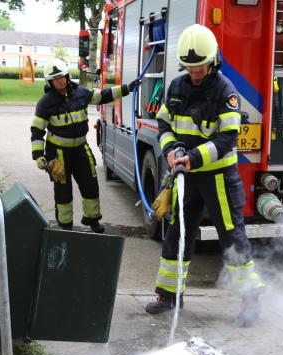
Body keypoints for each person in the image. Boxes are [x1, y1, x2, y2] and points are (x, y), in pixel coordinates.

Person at [143, 24, 265, 327]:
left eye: (200, 67)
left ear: (213, 62)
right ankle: (168, 295)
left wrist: (192, 158)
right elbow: (164, 125)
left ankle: (250, 300)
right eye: (190, 67)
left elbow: (227, 140)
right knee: (176, 232)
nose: (195, 73)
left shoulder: (226, 92)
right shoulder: (176, 87)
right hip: (186, 175)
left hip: (219, 177)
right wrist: (171, 151)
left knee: (230, 236)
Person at [30, 60, 139, 233]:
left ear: (67, 76)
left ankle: (92, 220)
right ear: (50, 82)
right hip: (58, 154)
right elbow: (37, 130)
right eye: (56, 79)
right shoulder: (45, 103)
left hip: (81, 149)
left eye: (62, 77)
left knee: (91, 185)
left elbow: (103, 95)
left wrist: (127, 88)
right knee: (63, 192)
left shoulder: (80, 93)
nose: (60, 81)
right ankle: (65, 225)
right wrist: (38, 156)